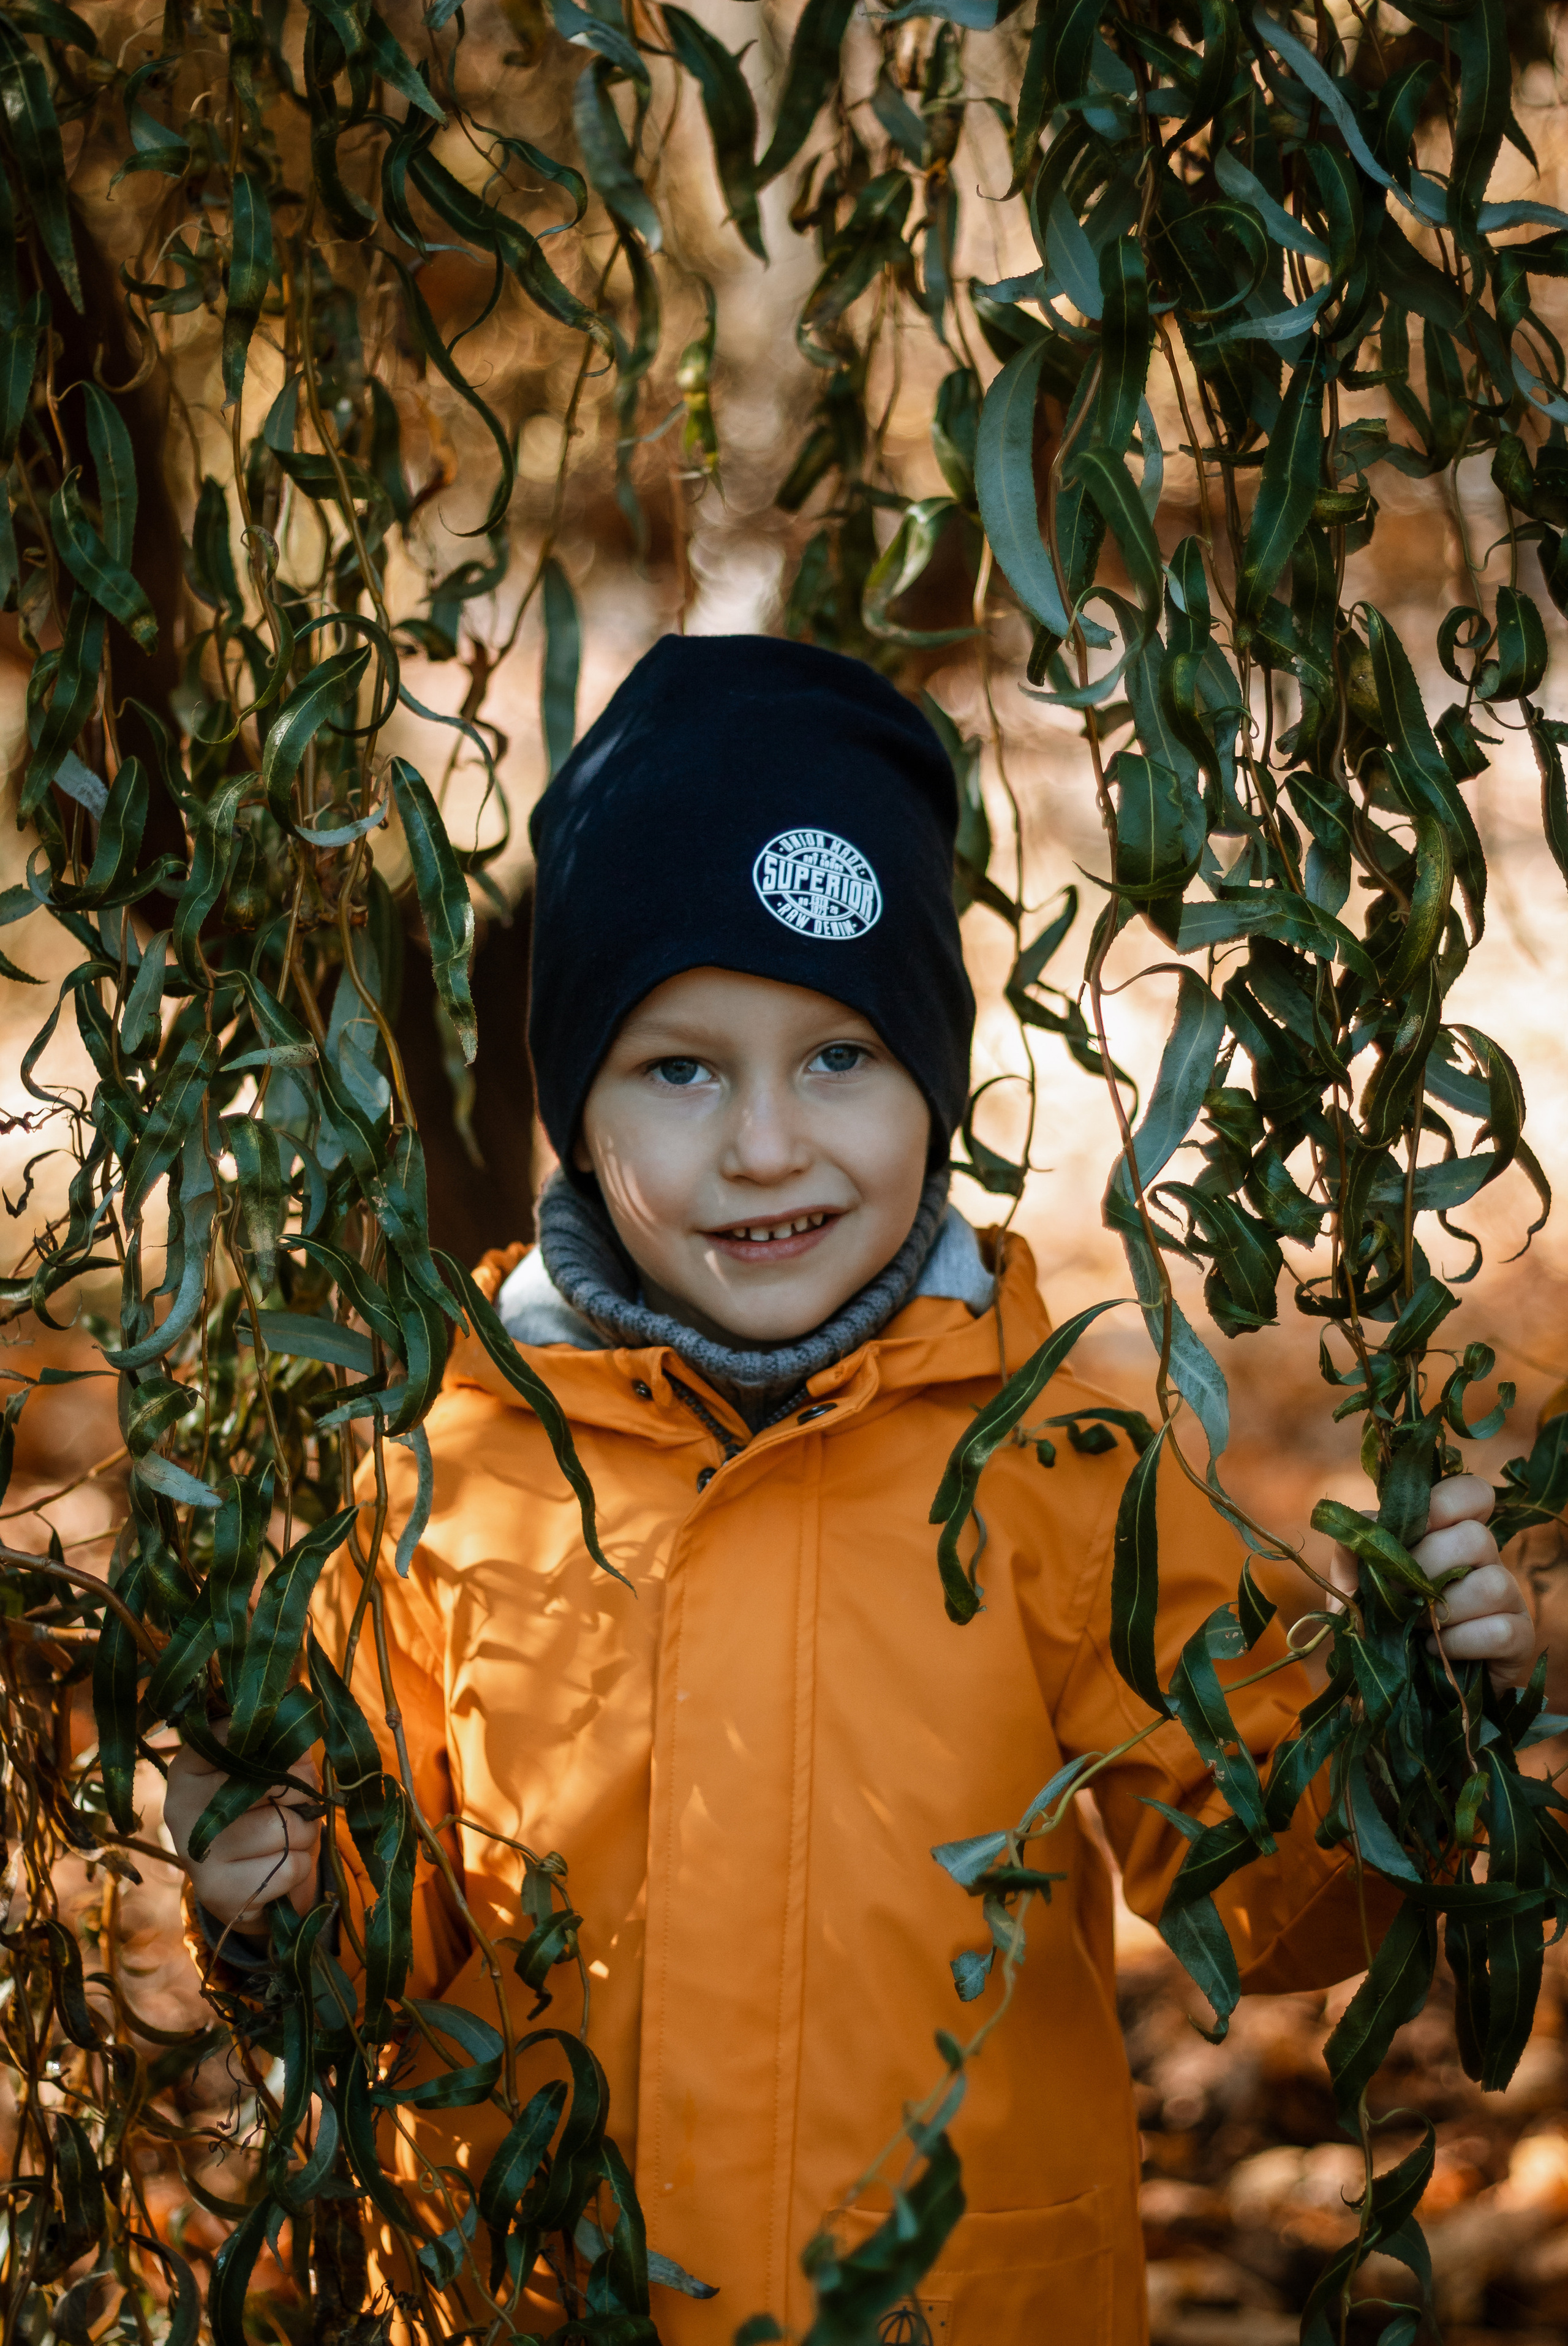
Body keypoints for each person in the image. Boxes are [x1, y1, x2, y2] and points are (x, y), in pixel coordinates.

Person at [165, 635, 1533, 2344]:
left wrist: (1416, 1727)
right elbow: (392, 1949)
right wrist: (279, 1901)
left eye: (839, 1058)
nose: (763, 1148)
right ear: (577, 1112)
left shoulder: (1060, 1468)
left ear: (934, 1085)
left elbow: (1271, 1896)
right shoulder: (452, 1483)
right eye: (680, 1068)